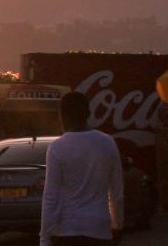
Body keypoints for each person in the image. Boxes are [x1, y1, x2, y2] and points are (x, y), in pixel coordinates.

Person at [39, 92, 123, 246]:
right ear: (88, 113)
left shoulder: (57, 147)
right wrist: (117, 224)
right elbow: (116, 192)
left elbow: (51, 197)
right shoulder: (107, 142)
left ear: (62, 116)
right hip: (99, 228)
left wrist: (44, 238)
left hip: (67, 229)